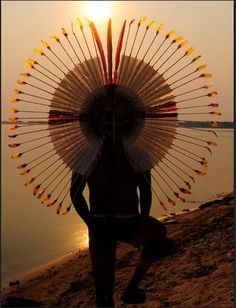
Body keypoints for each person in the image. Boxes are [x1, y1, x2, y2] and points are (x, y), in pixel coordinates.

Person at [70, 135, 174, 308]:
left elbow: (75, 193)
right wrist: (143, 218)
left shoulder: (87, 154)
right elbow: (145, 192)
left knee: (103, 287)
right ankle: (132, 287)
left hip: (102, 222)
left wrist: (90, 223)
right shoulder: (137, 154)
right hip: (125, 222)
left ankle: (130, 288)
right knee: (159, 235)